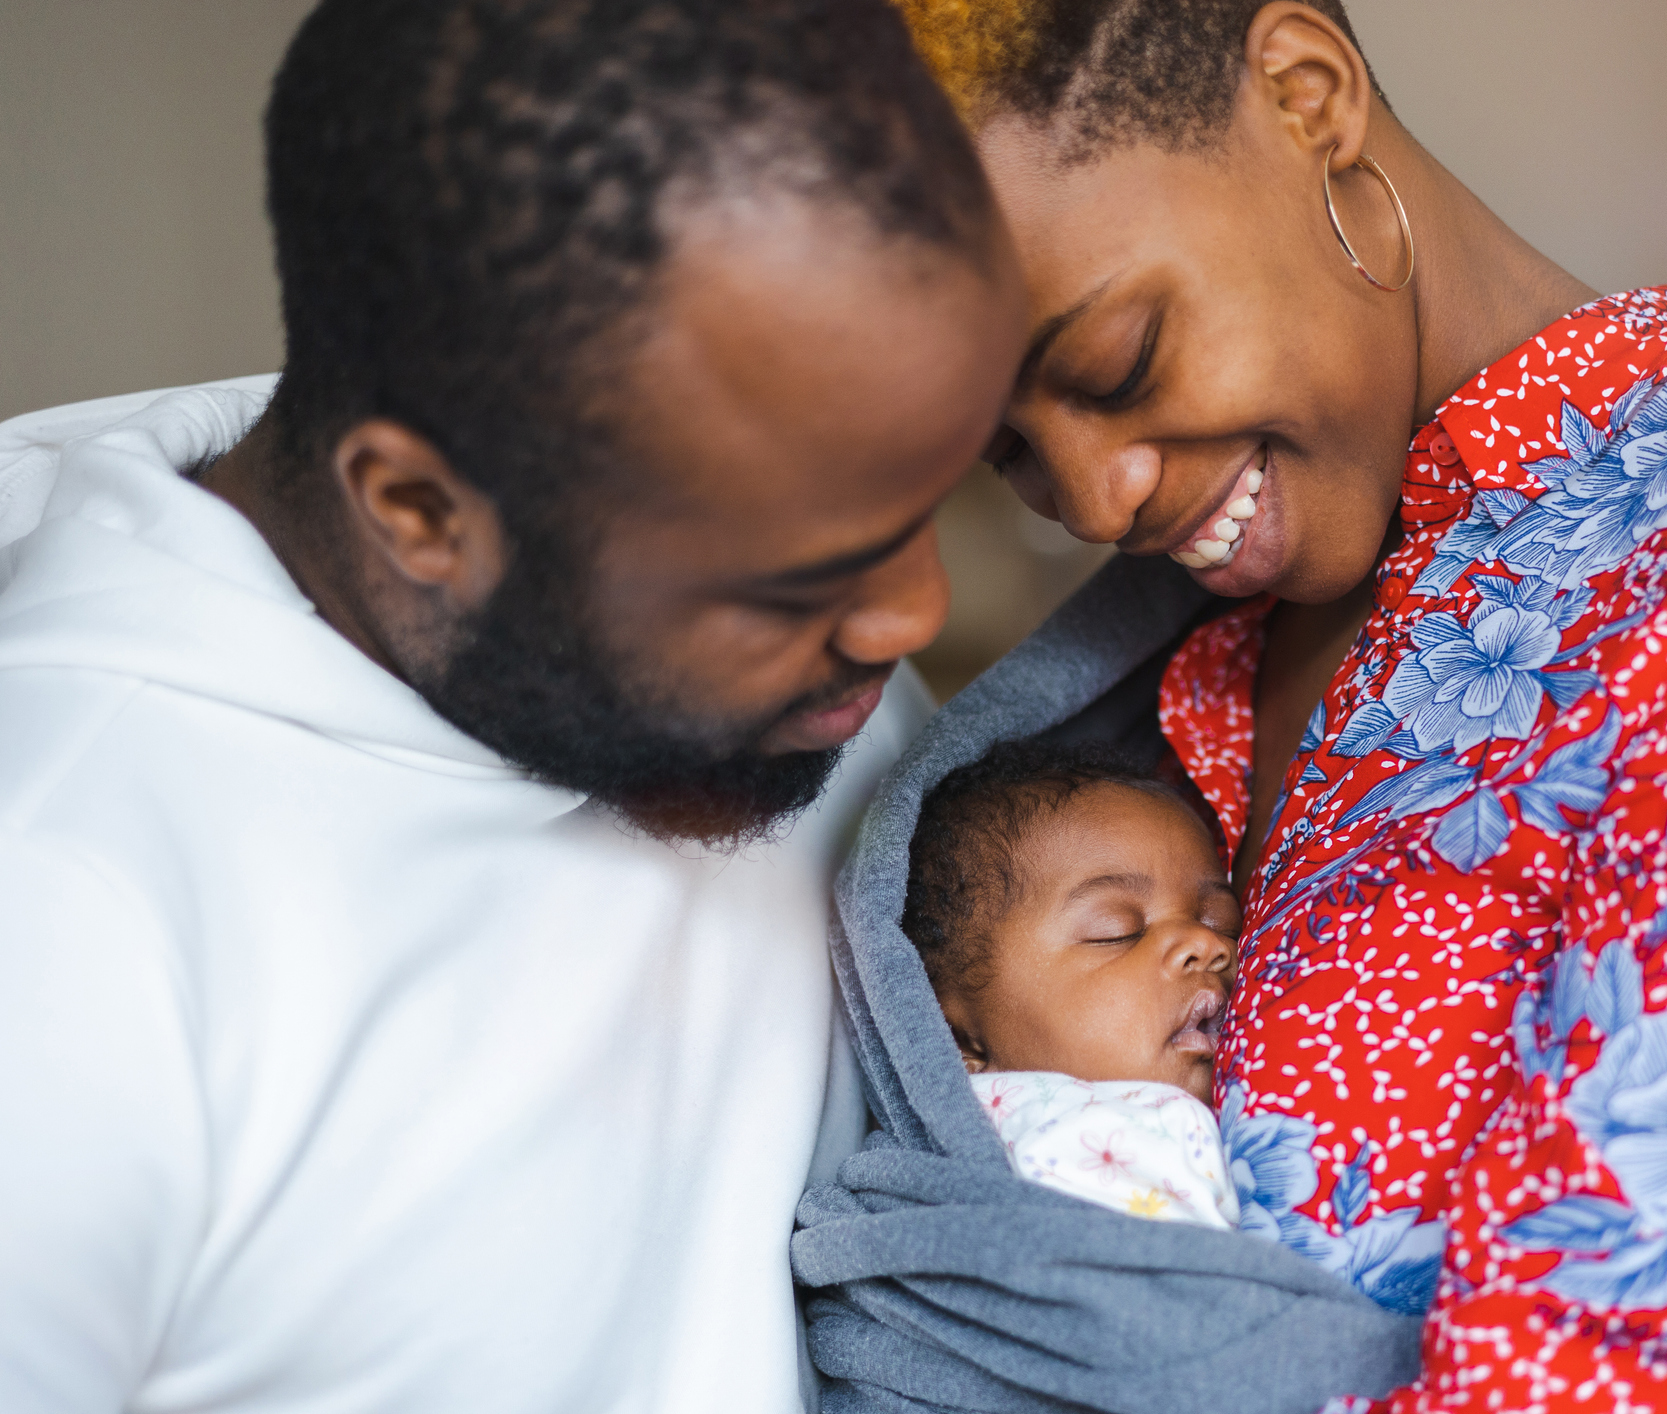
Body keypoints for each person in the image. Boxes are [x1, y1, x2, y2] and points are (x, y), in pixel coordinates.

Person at [828, 2, 1667, 1410]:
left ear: (1306, 97)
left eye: (1119, 363)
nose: (1095, 499)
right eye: (1008, 448)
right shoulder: (1234, 630)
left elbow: (1637, 1370)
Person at [0, 0, 1026, 1410]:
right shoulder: (60, 915)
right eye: (805, 578)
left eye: (932, 499)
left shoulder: (767, 603)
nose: (912, 617)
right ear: (421, 512)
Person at [904, 740, 1241, 1229]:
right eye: (1116, 932)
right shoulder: (1070, 1133)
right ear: (956, 1037)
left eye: (1223, 921)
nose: (1205, 943)